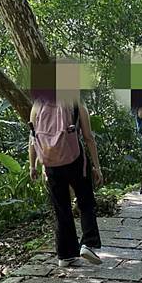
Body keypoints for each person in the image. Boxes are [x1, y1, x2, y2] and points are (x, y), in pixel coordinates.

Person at [29, 98, 103, 267]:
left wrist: (32, 165)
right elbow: (88, 137)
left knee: (61, 207)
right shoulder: (75, 102)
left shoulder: (38, 104)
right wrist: (97, 167)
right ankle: (88, 243)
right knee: (86, 201)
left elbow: (33, 137)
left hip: (50, 163)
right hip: (75, 159)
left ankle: (65, 255)